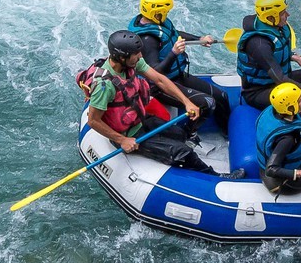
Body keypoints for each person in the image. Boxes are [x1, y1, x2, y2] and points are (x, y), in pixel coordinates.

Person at [78, 31, 215, 175]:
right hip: (126, 134)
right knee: (183, 151)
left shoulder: (131, 63)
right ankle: (212, 174)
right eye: (136, 54)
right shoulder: (104, 86)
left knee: (179, 134)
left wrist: (186, 102)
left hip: (140, 120)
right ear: (122, 57)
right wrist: (122, 140)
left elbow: (159, 80)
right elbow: (93, 121)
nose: (140, 56)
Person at [127, 0, 229, 133]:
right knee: (208, 103)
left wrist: (199, 39)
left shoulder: (157, 22)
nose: (167, 14)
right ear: (156, 12)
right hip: (159, 86)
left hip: (176, 75)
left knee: (222, 96)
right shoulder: (148, 40)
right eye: (165, 11)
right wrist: (174, 53)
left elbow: (174, 34)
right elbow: (156, 73)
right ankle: (188, 134)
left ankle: (227, 133)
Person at [236, 0, 301, 133]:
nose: (287, 15)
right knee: (292, 97)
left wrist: (295, 57)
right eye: (283, 13)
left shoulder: (276, 27)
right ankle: (296, 130)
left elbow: (276, 51)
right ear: (271, 17)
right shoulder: (258, 44)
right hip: (259, 91)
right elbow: (280, 78)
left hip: (280, 80)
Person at [253, 82, 301, 196]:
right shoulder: (288, 139)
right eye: (299, 100)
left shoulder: (273, 112)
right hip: (286, 183)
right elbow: (271, 169)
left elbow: (290, 121)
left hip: (266, 171)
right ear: (290, 107)